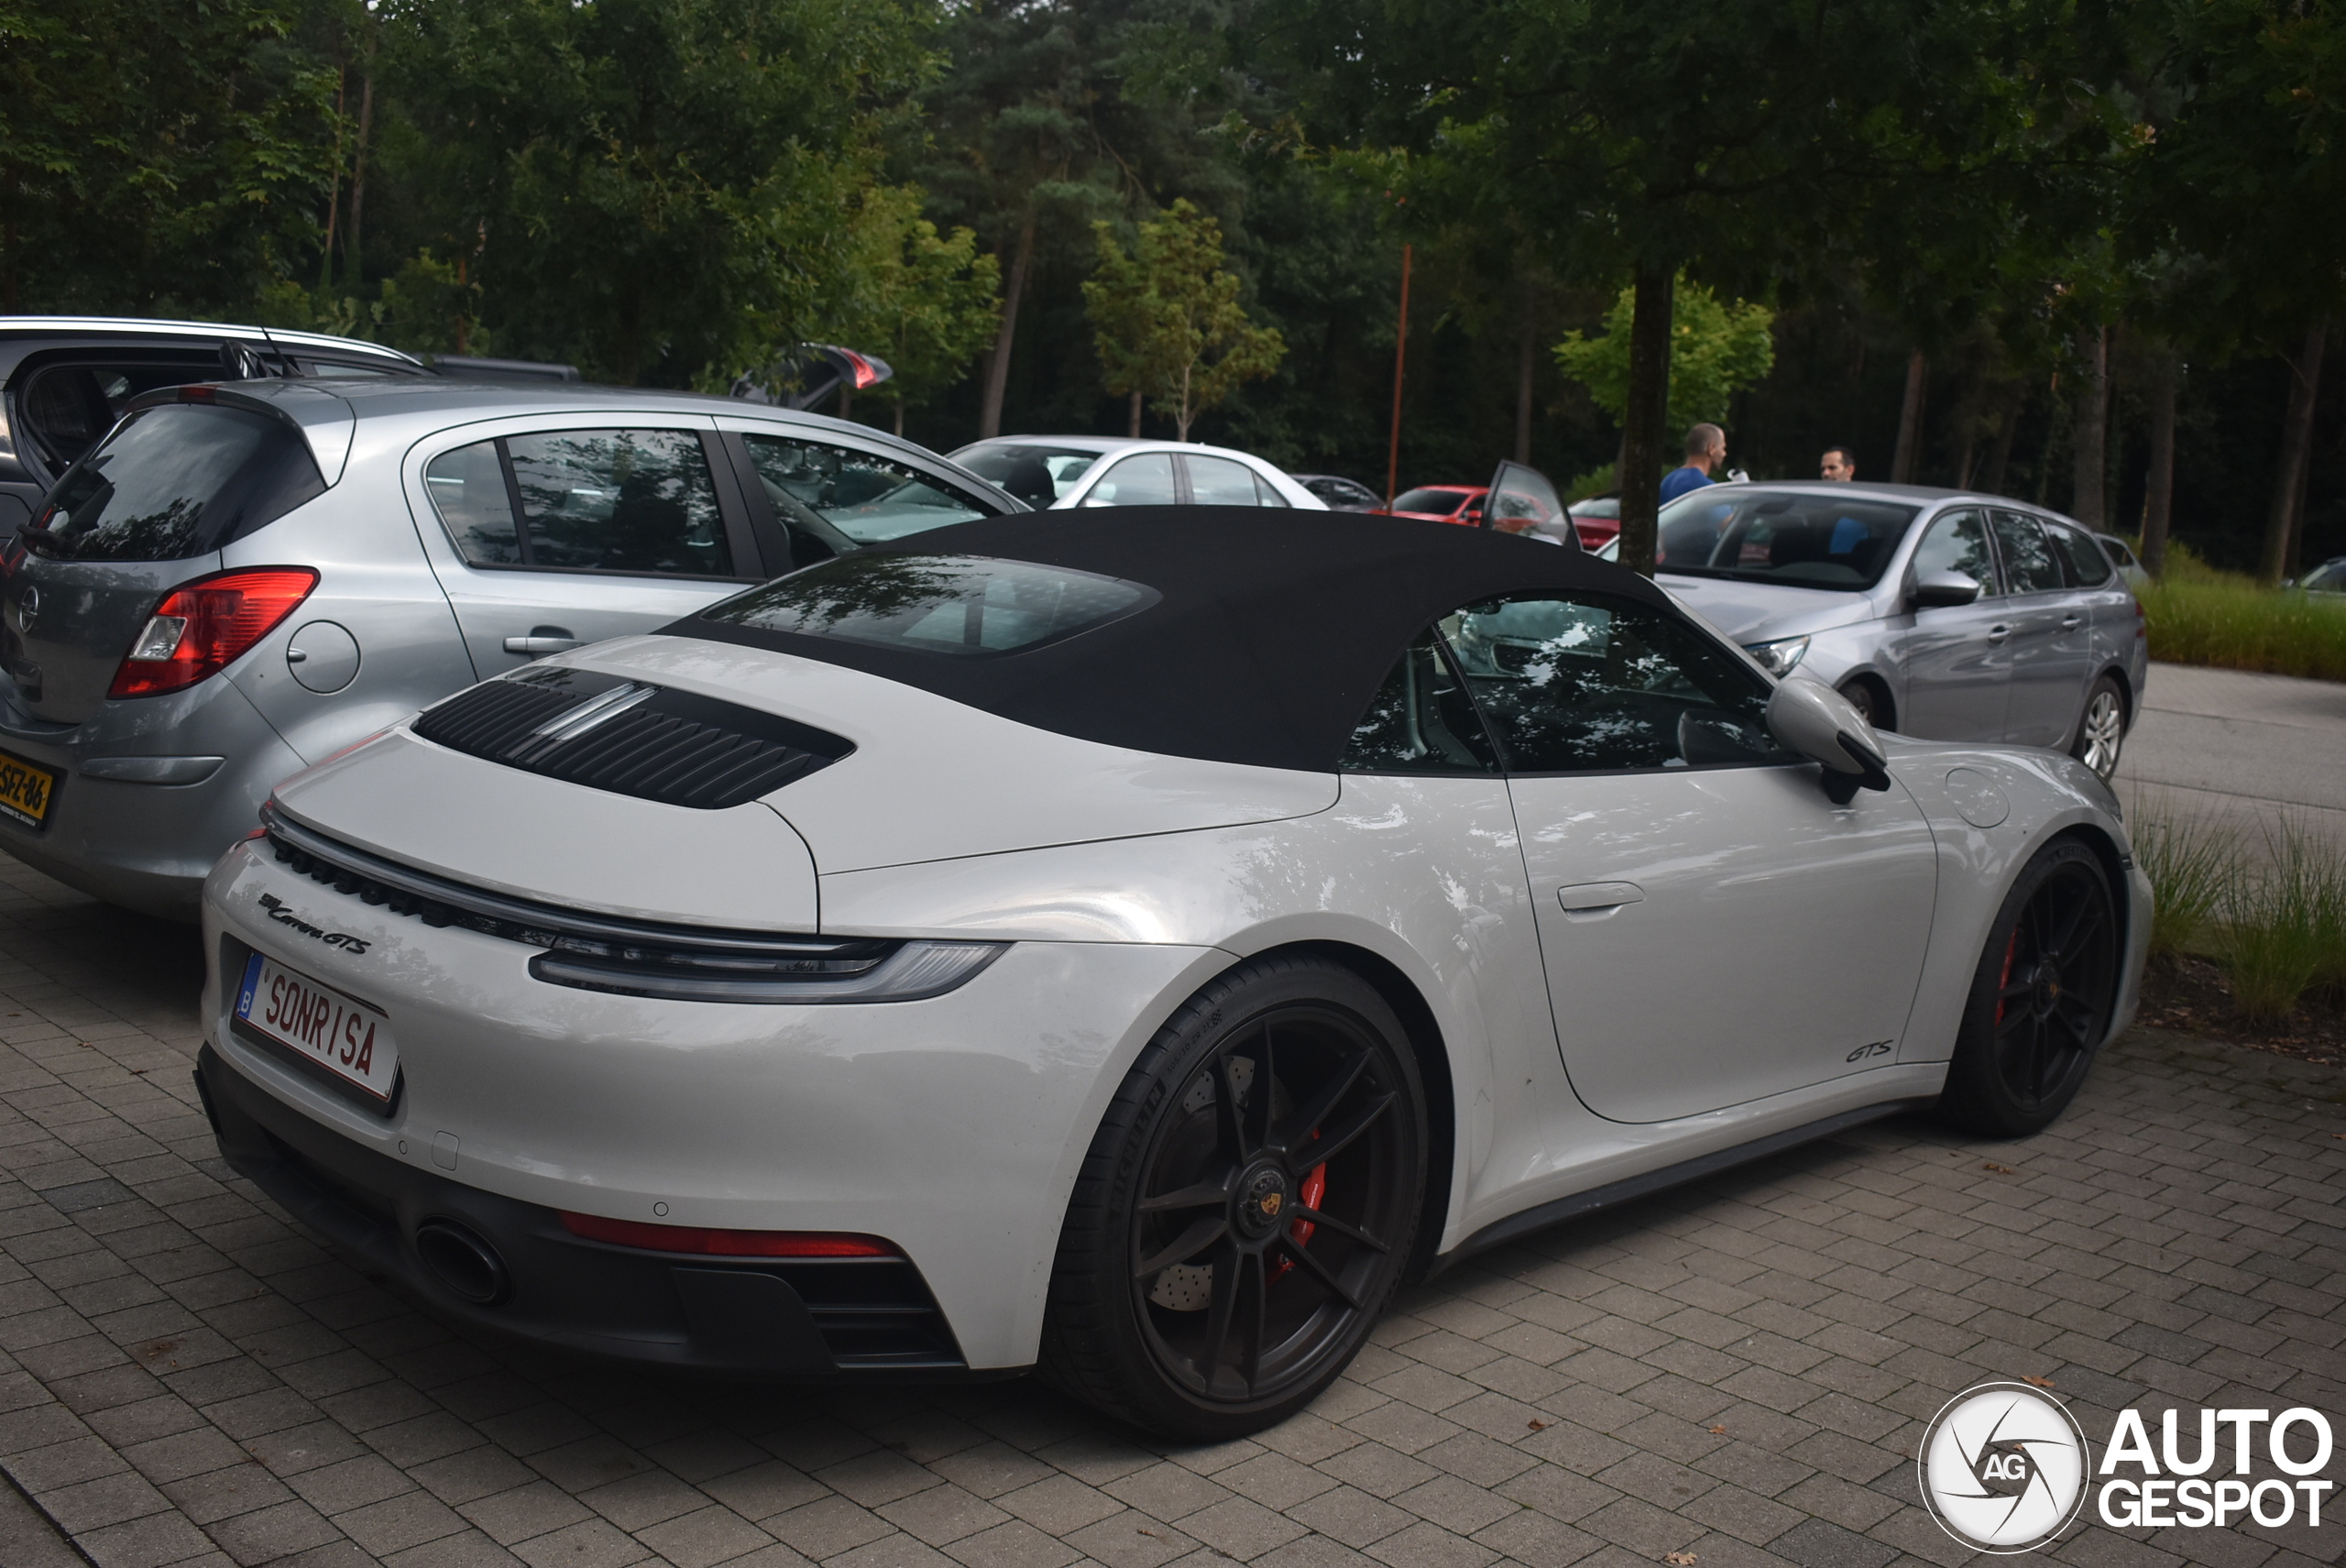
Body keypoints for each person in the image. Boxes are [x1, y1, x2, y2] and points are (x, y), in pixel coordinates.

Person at [1659, 424, 1727, 503]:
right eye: (1723, 448)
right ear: (1711, 449)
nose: (1724, 453)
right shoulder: (1703, 487)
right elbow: (1727, 516)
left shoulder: (1669, 479)